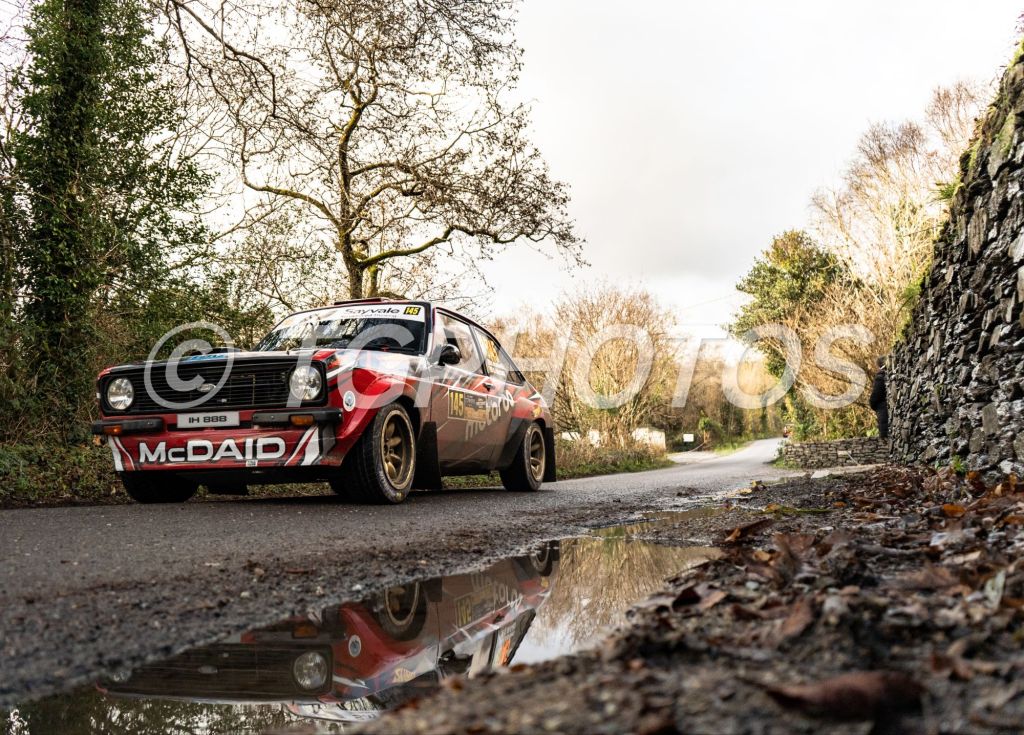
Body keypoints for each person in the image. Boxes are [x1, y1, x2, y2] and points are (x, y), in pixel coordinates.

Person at [869, 356, 889, 439]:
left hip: (883, 409)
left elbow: (876, 395)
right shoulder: (887, 375)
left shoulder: (880, 377)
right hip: (885, 408)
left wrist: (872, 403)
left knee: (885, 436)